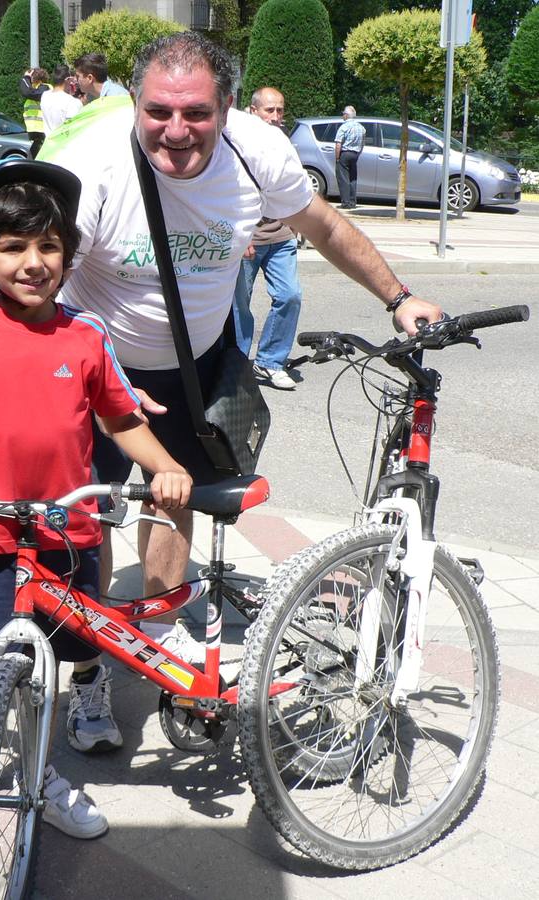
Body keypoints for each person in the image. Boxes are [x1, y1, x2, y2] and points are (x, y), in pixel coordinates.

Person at [44, 31, 442, 750]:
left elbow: (319, 224)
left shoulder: (256, 152)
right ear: (135, 102)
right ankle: (89, 677)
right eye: (159, 110)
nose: (175, 130)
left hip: (195, 367)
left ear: (226, 107)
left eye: (195, 112)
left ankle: (163, 653)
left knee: (174, 504)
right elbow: (37, 279)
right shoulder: (92, 165)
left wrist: (397, 296)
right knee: (85, 521)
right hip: (95, 367)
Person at [0, 158, 192, 861]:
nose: (32, 263)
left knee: (52, 666)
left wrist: (165, 465)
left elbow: (119, 418)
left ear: (66, 256)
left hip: (69, 532)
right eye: (13, 247)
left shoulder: (86, 334)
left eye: (48, 247)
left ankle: (41, 775)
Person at [233, 87, 302, 390]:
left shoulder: (285, 143)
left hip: (281, 236)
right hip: (249, 239)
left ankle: (270, 361)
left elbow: (295, 186)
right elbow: (228, 192)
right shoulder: (238, 144)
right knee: (238, 307)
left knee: (290, 295)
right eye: (269, 110)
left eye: (280, 110)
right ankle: (234, 366)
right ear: (253, 111)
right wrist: (241, 233)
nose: (275, 117)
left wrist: (299, 220)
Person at [335, 106, 366, 210]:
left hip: (345, 153)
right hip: (355, 154)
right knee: (353, 178)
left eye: (343, 113)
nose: (342, 115)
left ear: (347, 115)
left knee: (343, 178)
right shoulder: (361, 127)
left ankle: (346, 202)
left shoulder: (344, 127)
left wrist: (337, 157)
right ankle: (353, 202)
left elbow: (338, 143)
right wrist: (358, 153)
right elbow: (362, 143)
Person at [41, 64, 83, 134]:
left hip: (48, 142)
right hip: (64, 143)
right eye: (72, 79)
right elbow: (73, 130)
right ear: (67, 80)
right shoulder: (73, 102)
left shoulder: (45, 95)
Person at [20, 67, 51, 157]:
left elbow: (28, 92)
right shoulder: (35, 88)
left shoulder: (45, 87)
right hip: (35, 130)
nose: (30, 79)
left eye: (31, 76)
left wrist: (26, 78)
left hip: (42, 129)